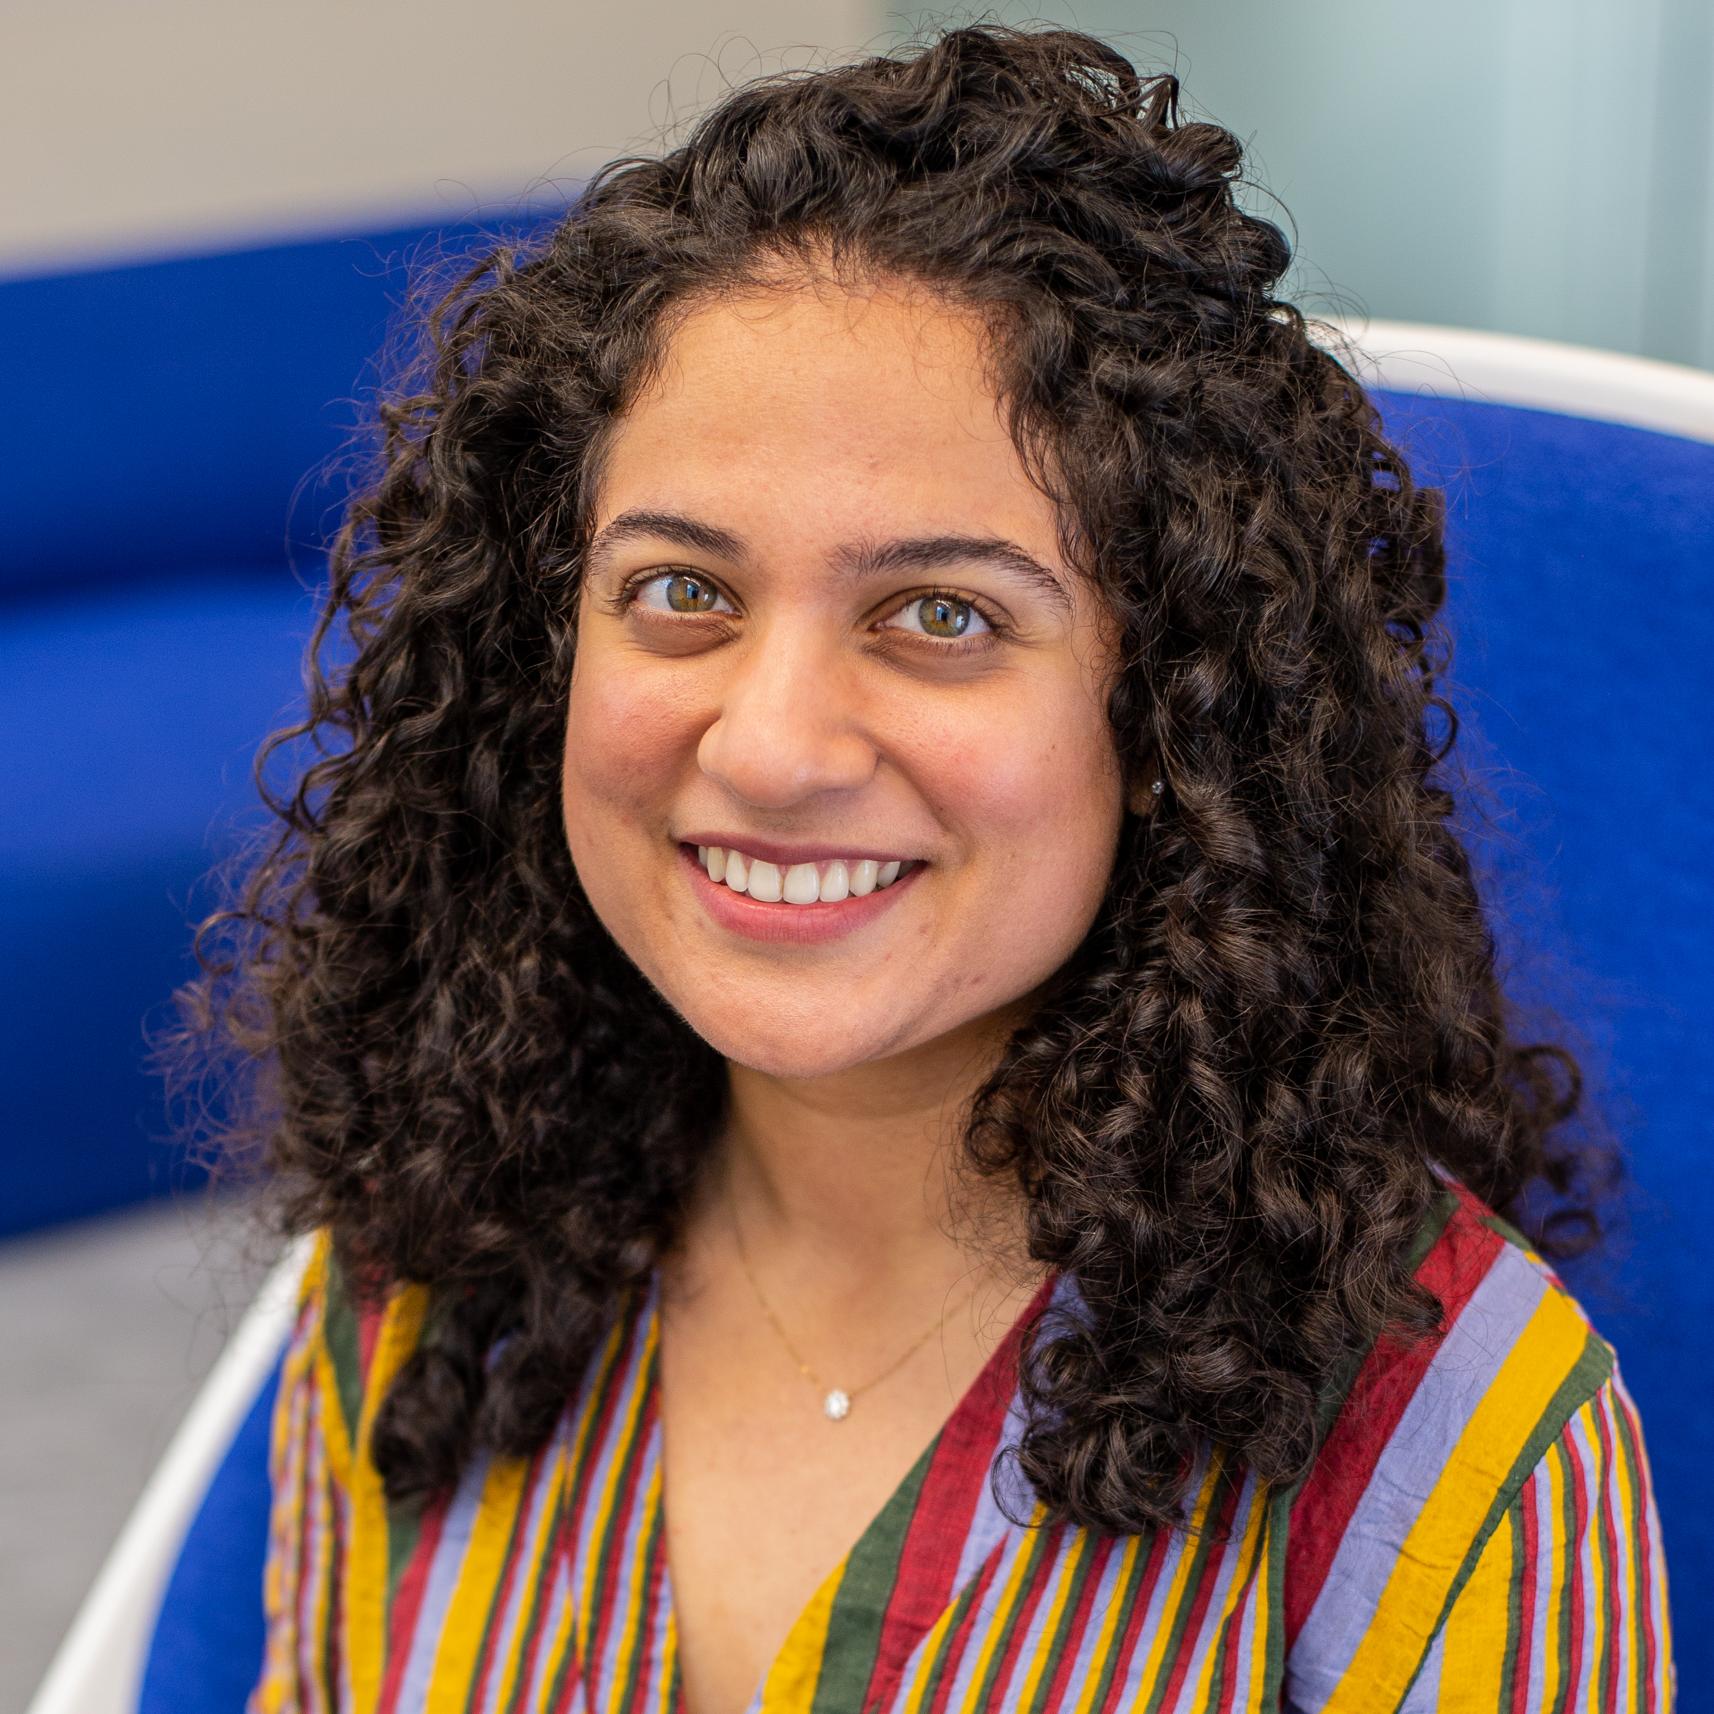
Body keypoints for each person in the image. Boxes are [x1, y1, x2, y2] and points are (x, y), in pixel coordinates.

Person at [186, 23, 1674, 1714]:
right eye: (681, 589)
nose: (768, 744)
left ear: (1170, 713)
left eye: (941, 614)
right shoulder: (434, 1249)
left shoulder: (1442, 1448)